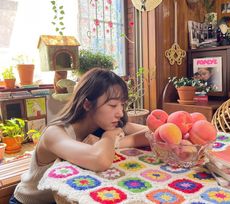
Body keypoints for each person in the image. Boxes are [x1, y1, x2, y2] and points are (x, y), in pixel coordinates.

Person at [10, 68, 149, 204]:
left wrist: (117, 142)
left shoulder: (105, 123)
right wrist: (110, 136)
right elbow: (100, 160)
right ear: (88, 104)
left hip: (67, 196)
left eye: (122, 105)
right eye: (112, 105)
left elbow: (150, 134)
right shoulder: (55, 133)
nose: (120, 112)